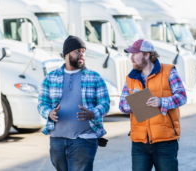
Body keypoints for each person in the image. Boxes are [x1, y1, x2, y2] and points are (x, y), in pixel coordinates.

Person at [37, 35, 110, 171]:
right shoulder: (51, 77)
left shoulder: (94, 77)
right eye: (77, 51)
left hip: (85, 138)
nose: (81, 54)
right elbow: (42, 103)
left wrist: (92, 113)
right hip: (57, 139)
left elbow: (105, 103)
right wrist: (49, 113)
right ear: (67, 54)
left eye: (83, 51)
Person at [119, 39, 187, 171]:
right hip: (139, 142)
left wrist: (162, 102)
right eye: (131, 54)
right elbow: (122, 106)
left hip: (165, 141)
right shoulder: (130, 78)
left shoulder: (168, 71)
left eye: (135, 54)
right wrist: (135, 102)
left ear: (147, 55)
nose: (131, 58)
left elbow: (182, 96)